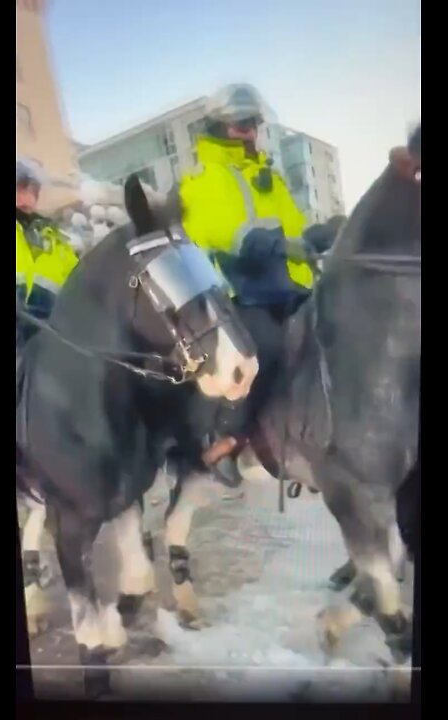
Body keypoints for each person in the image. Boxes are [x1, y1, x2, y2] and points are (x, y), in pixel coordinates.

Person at [174, 84, 316, 483]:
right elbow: (218, 231)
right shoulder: (202, 177)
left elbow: (294, 226)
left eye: (252, 123)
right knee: (266, 348)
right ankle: (227, 438)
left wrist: (318, 239)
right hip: (241, 291)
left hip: (289, 287)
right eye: (240, 125)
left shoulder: (266, 173)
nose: (249, 132)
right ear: (218, 126)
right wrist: (273, 244)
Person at [16, 159, 79, 346]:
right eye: (19, 188)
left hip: (54, 337)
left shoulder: (54, 240)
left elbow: (81, 281)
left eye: (30, 190)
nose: (25, 197)